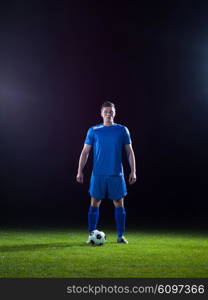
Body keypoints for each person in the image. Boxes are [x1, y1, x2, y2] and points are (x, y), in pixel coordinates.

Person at [76, 101, 137, 244]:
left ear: (114, 113)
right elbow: (85, 152)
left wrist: (133, 171)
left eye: (111, 111)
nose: (108, 113)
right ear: (101, 113)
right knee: (95, 202)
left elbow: (129, 152)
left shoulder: (122, 130)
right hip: (98, 174)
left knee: (119, 202)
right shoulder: (93, 130)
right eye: (106, 111)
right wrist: (80, 170)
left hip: (116, 173)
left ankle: (120, 236)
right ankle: (91, 235)